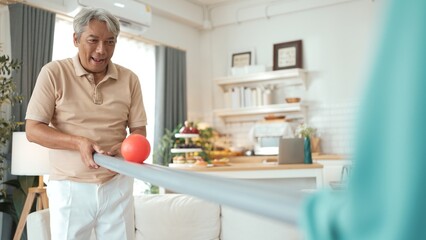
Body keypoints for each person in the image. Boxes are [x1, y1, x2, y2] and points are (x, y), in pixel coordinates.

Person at [25, 7, 147, 239]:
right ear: (75, 39)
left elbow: (138, 130)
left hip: (117, 182)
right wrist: (78, 142)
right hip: (70, 186)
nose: (102, 50)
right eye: (93, 40)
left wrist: (124, 150)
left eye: (110, 42)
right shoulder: (54, 73)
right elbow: (33, 130)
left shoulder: (130, 79)